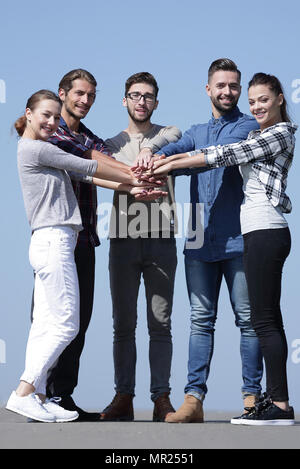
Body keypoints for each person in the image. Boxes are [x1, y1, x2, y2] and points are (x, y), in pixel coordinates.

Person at [153, 72, 296, 425]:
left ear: (279, 98)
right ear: (208, 89)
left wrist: (170, 163)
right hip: (201, 235)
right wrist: (152, 152)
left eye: (235, 86)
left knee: (253, 321)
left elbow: (222, 155)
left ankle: (256, 398)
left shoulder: (255, 129)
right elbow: (177, 146)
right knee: (203, 321)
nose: (229, 92)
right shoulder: (198, 131)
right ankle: (194, 400)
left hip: (244, 235)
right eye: (222, 85)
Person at [6, 90, 152, 422]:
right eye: (45, 115)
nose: (51, 122)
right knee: (67, 323)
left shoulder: (37, 151)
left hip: (50, 240)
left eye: (56, 117)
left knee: (45, 326)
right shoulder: (39, 148)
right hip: (54, 241)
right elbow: (85, 164)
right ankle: (24, 390)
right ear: (28, 113)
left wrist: (133, 189)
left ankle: (39, 396)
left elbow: (85, 174)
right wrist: (137, 175)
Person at [100, 72, 181, 422]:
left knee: (160, 324)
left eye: (148, 96)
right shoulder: (109, 144)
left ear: (156, 102)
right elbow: (98, 174)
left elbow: (174, 133)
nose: (141, 101)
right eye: (135, 95)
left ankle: (161, 398)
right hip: (123, 239)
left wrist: (149, 149)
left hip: (162, 238)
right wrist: (129, 184)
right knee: (123, 324)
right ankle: (123, 397)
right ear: (124, 100)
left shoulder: (169, 136)